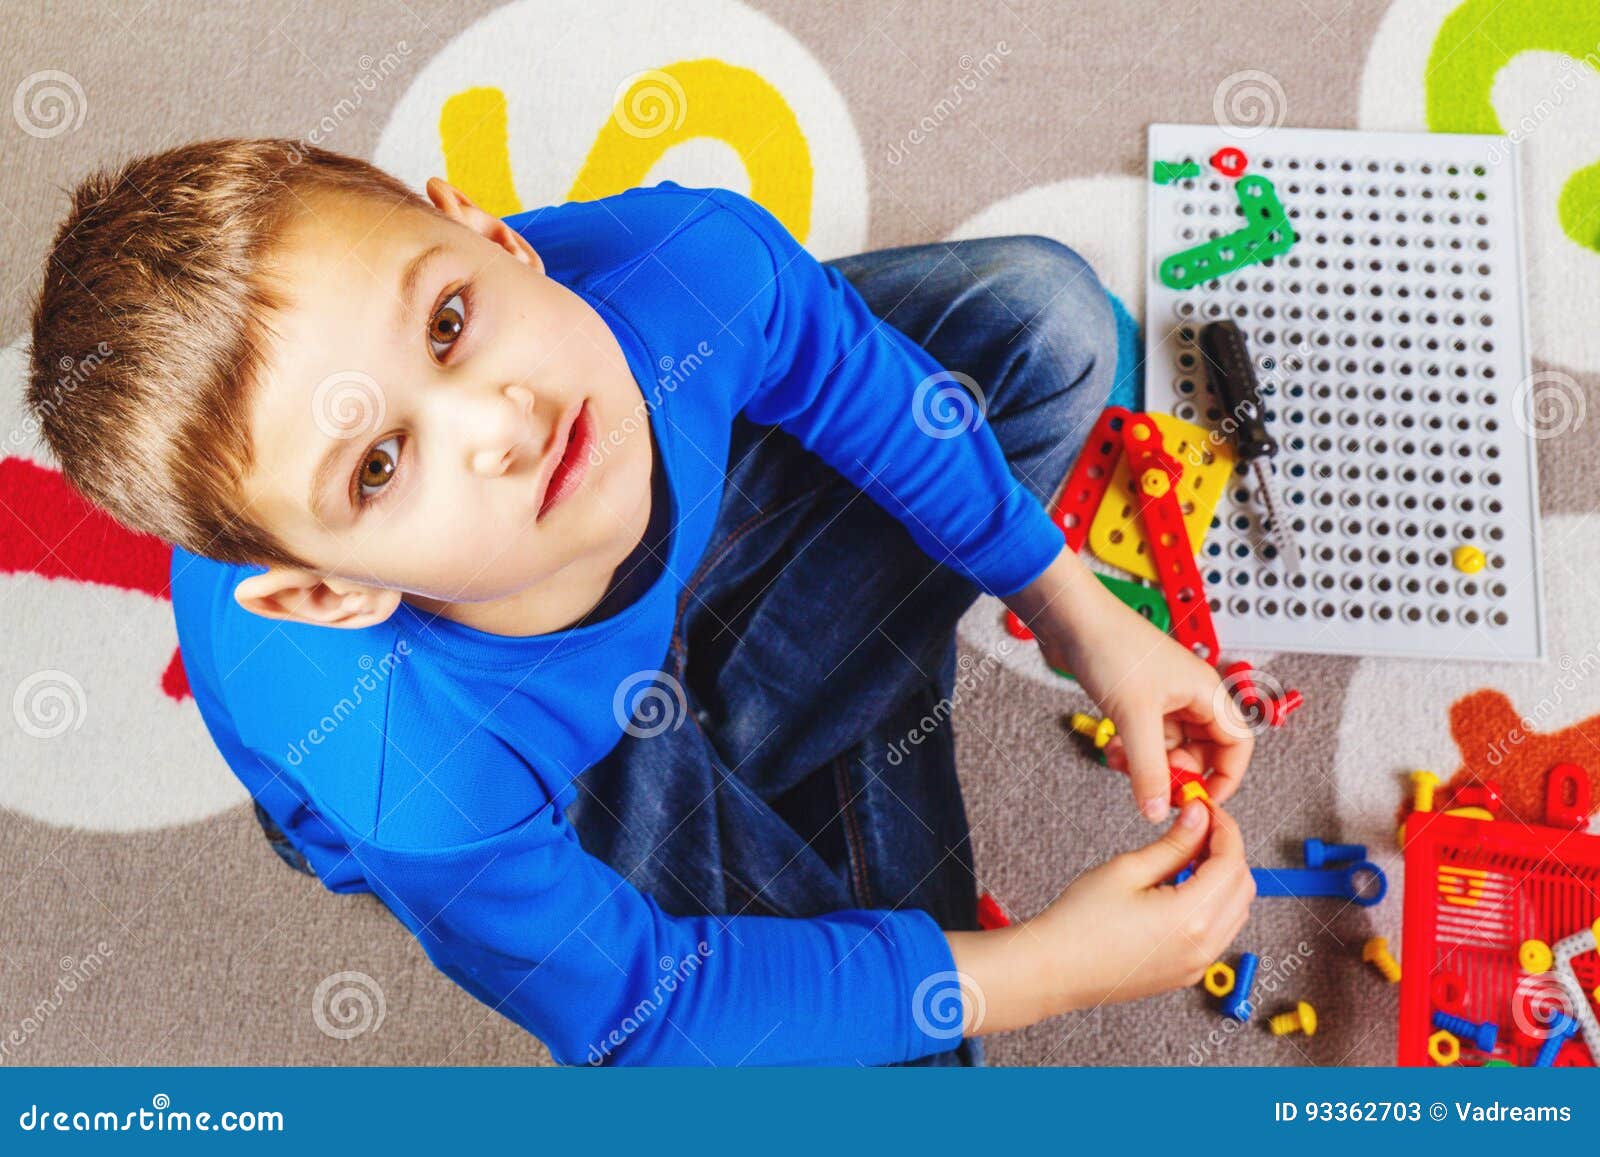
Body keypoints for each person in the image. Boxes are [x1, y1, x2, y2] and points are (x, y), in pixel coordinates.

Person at [25, 139, 1255, 1065]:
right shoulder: (421, 781)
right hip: (545, 766)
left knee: (1048, 321)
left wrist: (1082, 614)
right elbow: (627, 1005)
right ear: (333, 590)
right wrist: (1044, 969)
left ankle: (780, 731)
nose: (504, 420)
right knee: (907, 1063)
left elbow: (853, 376)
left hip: (675, 551)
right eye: (381, 465)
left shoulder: (678, 268)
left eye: (449, 321)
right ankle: (814, 713)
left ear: (496, 236)